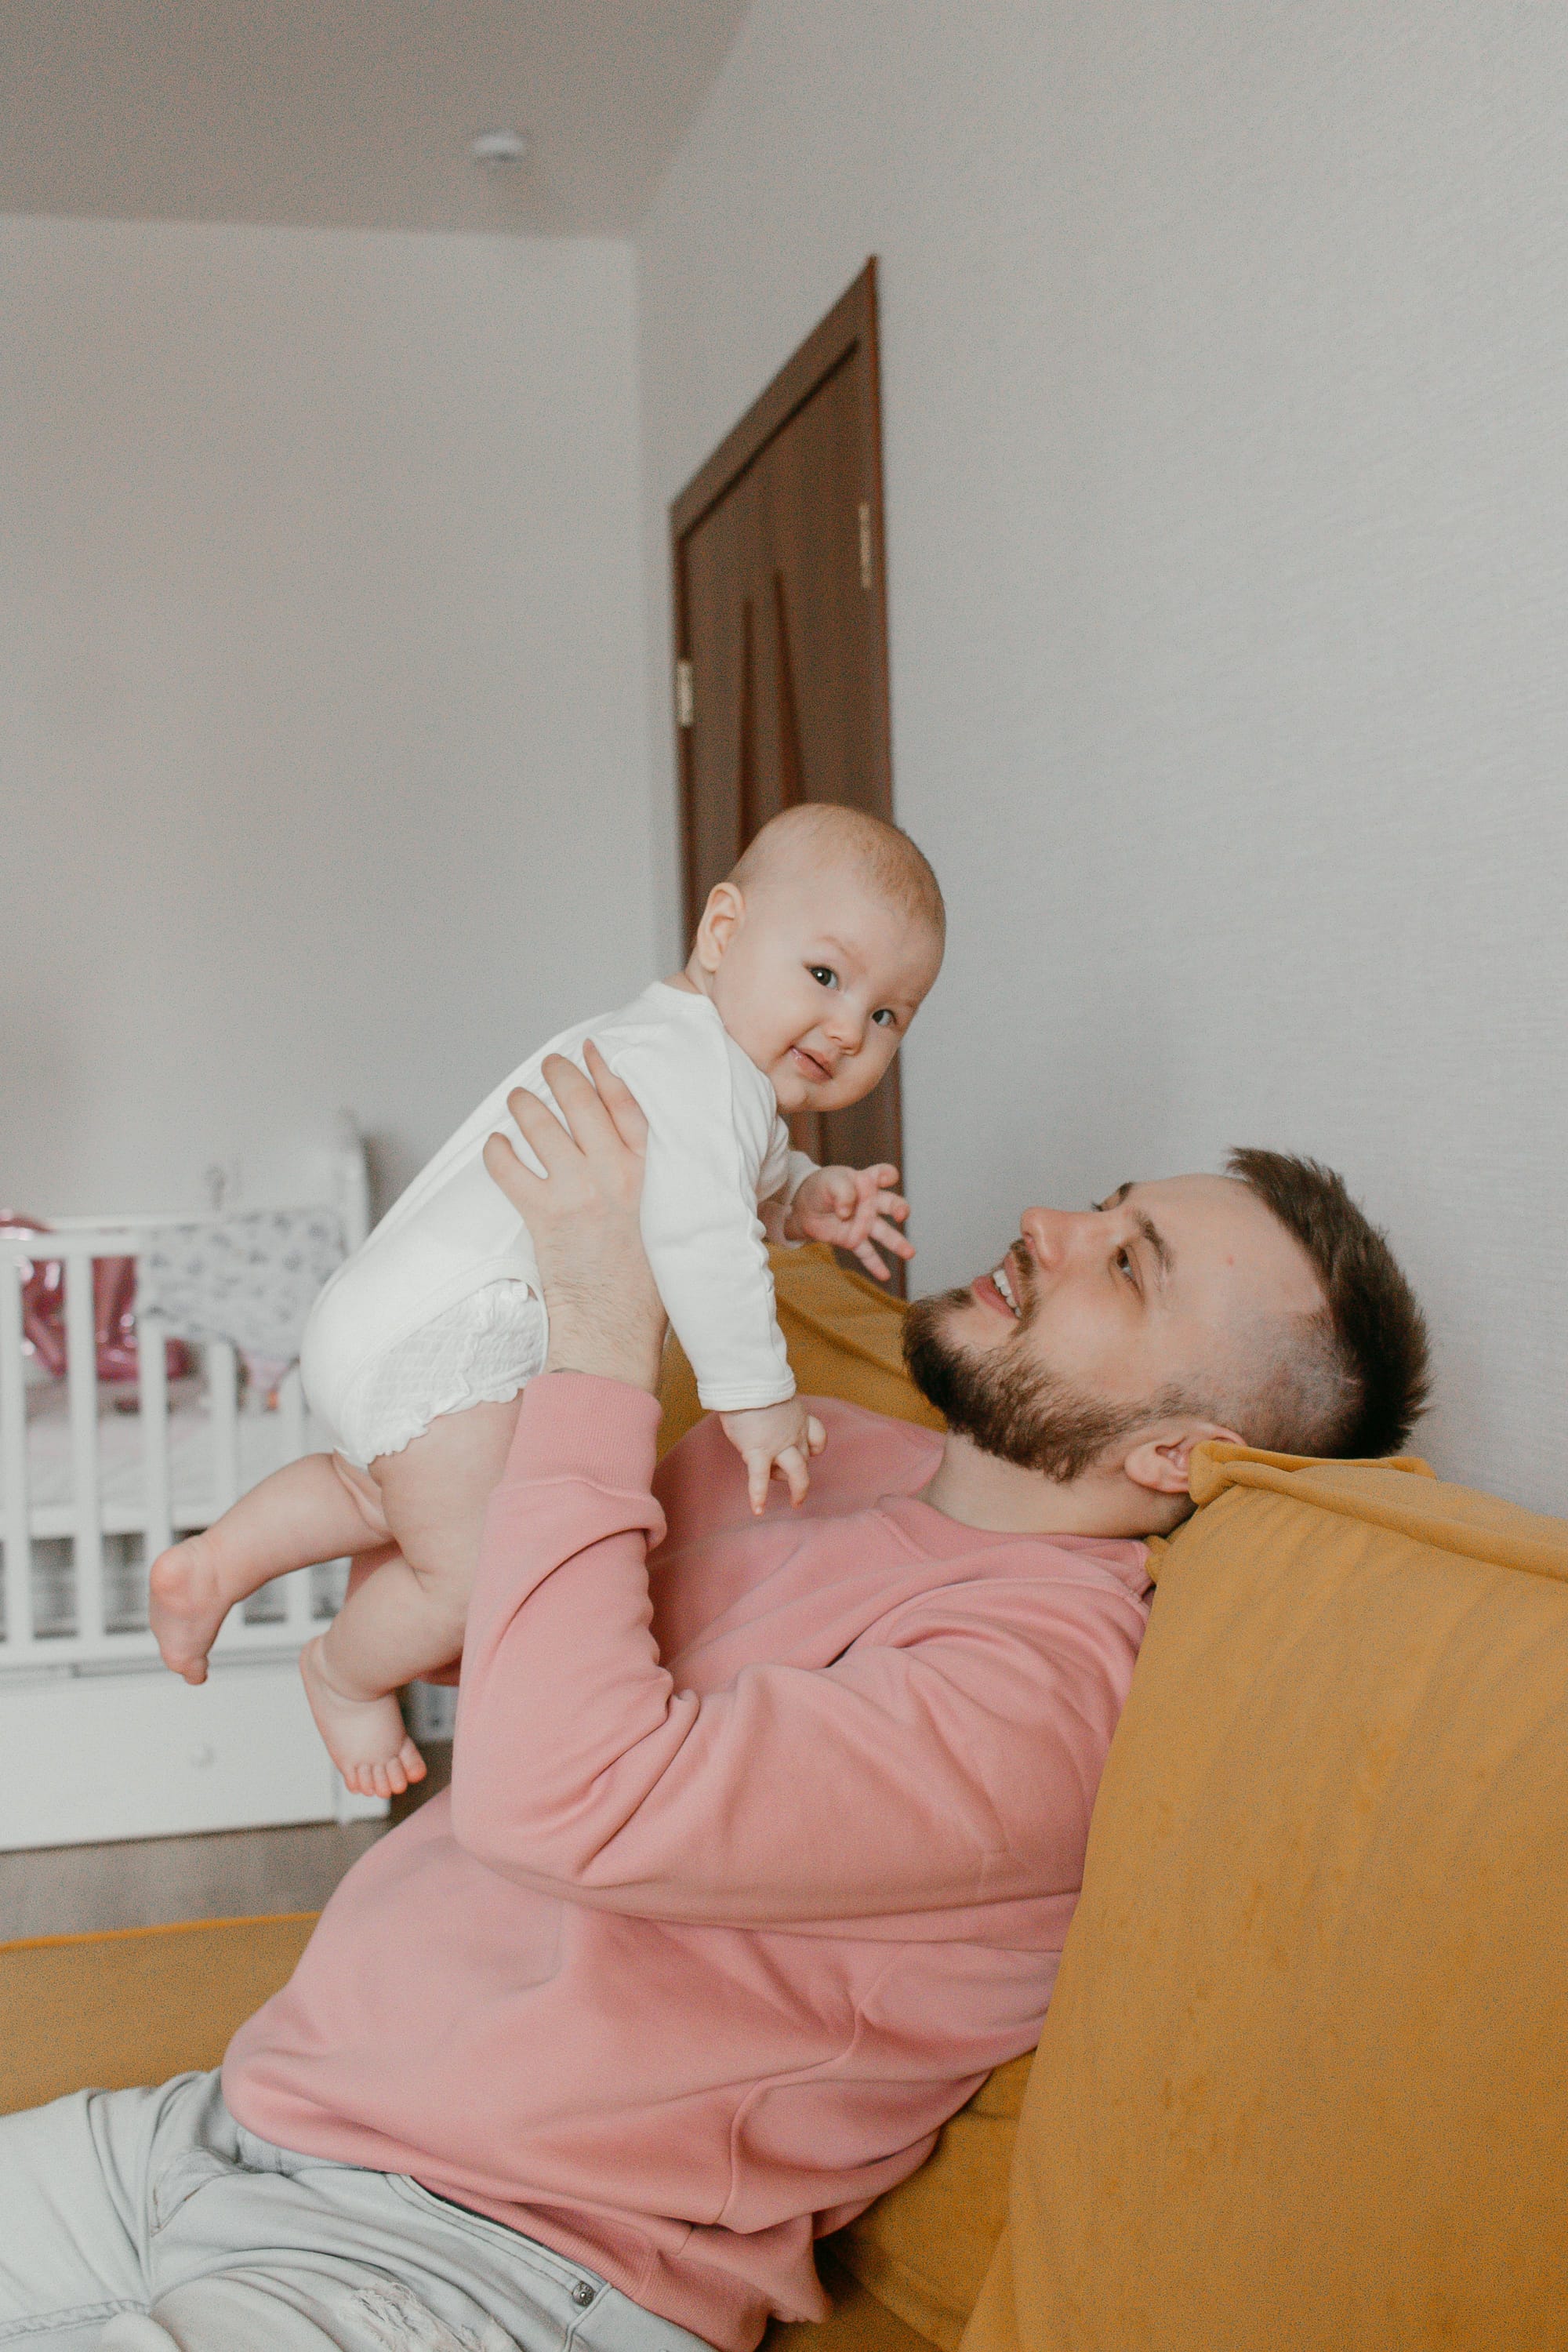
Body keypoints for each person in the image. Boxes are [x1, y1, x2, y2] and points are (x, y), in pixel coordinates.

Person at [0, 1054, 1428, 2352]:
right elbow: (514, 1648)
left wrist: (601, 1321)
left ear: (1176, 1453)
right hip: (240, 2122)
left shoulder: (1041, 1701)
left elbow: (554, 1798)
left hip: (489, 2258)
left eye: (1128, 1264)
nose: (1050, 1224)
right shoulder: (819, 1447)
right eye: (1104, 1205)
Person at [146, 804, 946, 1795]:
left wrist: (806, 1199)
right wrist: (758, 1397)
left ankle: (215, 1562)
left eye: (887, 1016)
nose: (848, 1028)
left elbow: (725, 1184)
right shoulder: (705, 1077)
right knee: (472, 1576)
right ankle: (342, 1675)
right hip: (454, 1347)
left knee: (373, 1494)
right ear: (722, 931)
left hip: (387, 1318)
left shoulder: (668, 1045)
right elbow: (703, 1240)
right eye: (825, 976)